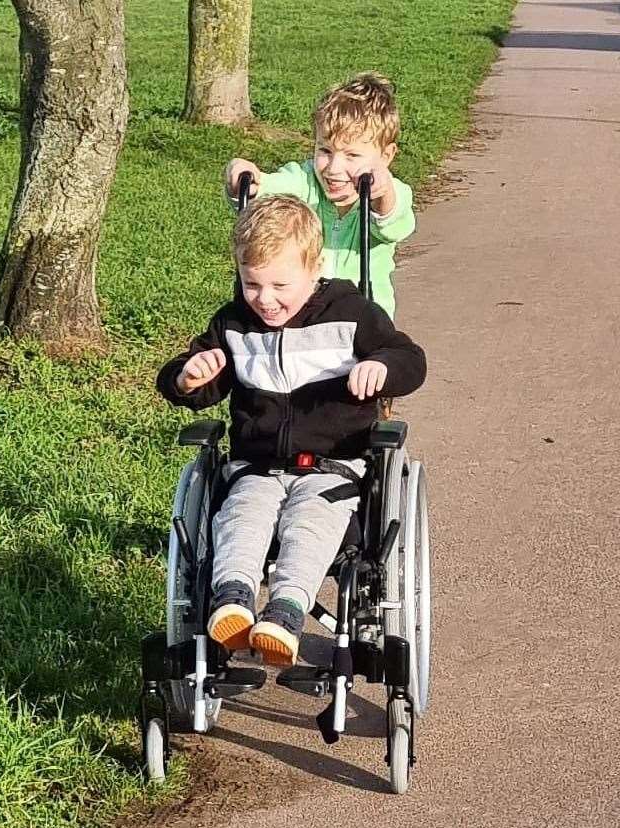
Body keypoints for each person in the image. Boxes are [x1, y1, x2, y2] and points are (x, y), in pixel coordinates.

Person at [156, 196, 426, 667]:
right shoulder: (234, 324)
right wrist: (187, 375)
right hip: (256, 467)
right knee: (241, 518)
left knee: (309, 525)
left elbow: (410, 358)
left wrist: (381, 367)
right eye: (251, 284)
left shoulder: (351, 314)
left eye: (280, 284)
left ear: (314, 267)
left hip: (333, 466)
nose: (265, 299)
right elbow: (201, 382)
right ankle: (233, 600)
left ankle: (285, 611)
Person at [223, 72, 414, 320]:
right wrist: (247, 180)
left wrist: (382, 192)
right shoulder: (304, 181)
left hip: (364, 321)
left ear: (386, 156)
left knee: (385, 356)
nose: (333, 168)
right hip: (303, 318)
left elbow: (393, 223)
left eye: (352, 156)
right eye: (325, 150)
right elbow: (267, 190)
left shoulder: (391, 193)